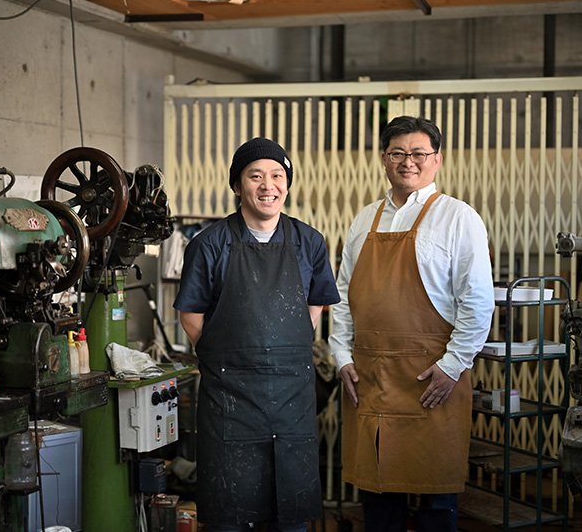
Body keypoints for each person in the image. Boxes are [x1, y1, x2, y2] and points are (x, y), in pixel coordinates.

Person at [328, 116, 494, 532]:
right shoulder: (364, 219)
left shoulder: (459, 218)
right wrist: (341, 355)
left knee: (436, 503)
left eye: (419, 153)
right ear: (384, 159)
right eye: (398, 153)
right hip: (369, 378)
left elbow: (477, 301)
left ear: (437, 160)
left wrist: (452, 365)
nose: (409, 162)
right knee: (379, 500)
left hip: (430, 378)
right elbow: (344, 294)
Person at [174, 137, 341, 532]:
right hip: (230, 399)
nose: (268, 185)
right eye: (256, 176)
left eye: (277, 176)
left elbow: (316, 304)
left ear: (287, 184)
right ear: (237, 185)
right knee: (231, 514)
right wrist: (223, 354)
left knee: (290, 517)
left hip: (291, 399)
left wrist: (284, 345)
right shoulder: (209, 244)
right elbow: (190, 314)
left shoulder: (309, 242)